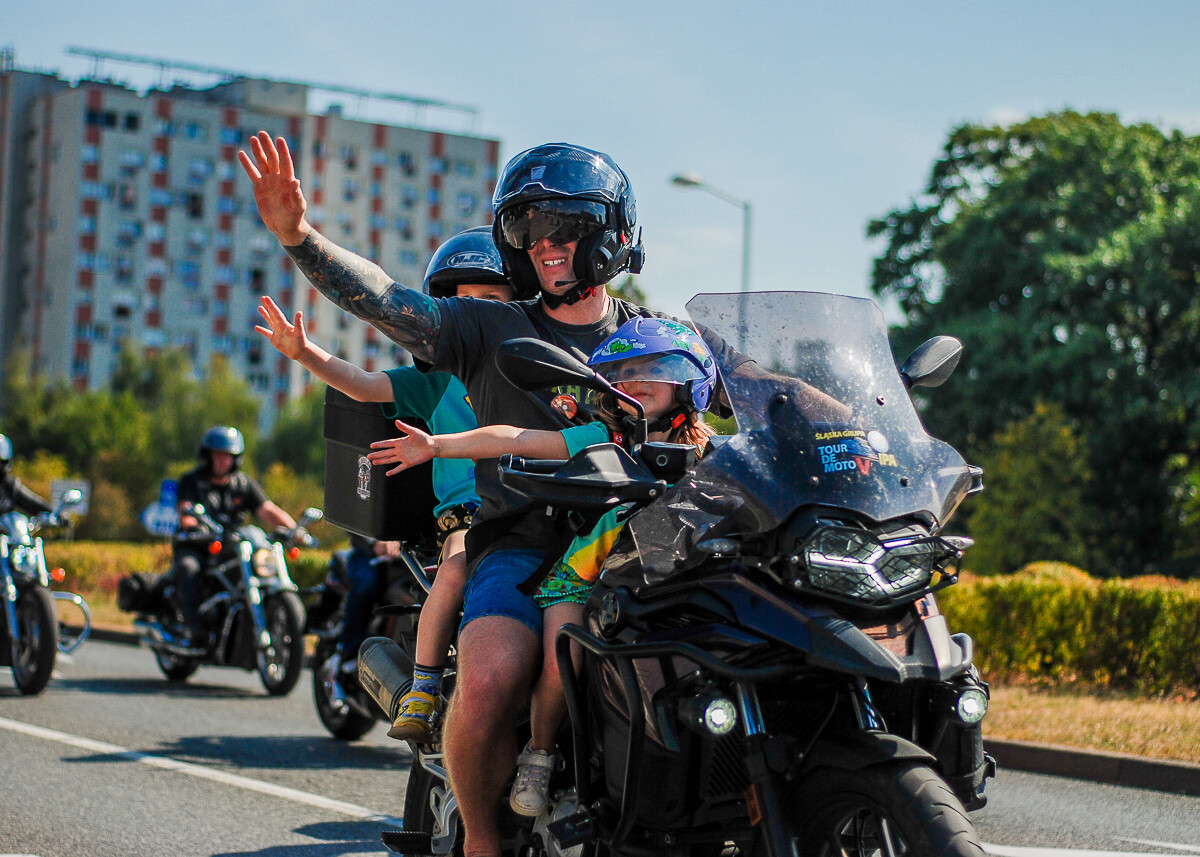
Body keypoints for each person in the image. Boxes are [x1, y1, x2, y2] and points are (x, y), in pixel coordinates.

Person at [240, 132, 762, 856]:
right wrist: (301, 239)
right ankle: (483, 839)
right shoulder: (488, 326)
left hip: (645, 540)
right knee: (489, 676)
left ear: (613, 233)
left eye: (567, 227)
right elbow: (391, 302)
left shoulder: (651, 333)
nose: (546, 245)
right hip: (520, 544)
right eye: (528, 230)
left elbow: (753, 389)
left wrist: (844, 419)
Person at [367, 316, 718, 816]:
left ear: (692, 381)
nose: (632, 381)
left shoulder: (714, 452)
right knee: (563, 651)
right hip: (586, 570)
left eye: (652, 368)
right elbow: (514, 438)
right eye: (621, 372)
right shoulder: (601, 436)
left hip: (670, 577)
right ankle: (540, 750)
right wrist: (439, 445)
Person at [254, 225, 516, 739]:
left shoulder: (535, 371)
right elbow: (366, 386)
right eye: (468, 303)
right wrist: (305, 354)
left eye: (494, 299)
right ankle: (422, 684)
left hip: (535, 506)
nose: (482, 311)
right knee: (459, 563)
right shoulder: (437, 379)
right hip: (471, 514)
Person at [172, 426, 298, 646]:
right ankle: (193, 628)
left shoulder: (243, 484)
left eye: (228, 456)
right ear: (207, 456)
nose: (223, 461)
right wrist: (193, 525)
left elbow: (267, 509)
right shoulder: (191, 481)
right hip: (197, 543)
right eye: (218, 455)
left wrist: (294, 529)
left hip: (232, 543)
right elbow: (186, 511)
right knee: (189, 568)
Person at [0, 434, 55, 528]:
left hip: (7, 540)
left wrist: (55, 514)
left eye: (1, 462)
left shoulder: (9, 486)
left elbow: (33, 503)